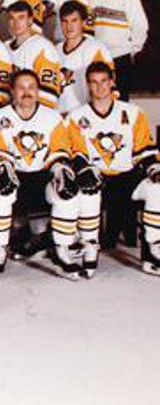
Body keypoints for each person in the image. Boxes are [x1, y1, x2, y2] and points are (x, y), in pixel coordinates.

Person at [0, 70, 78, 280]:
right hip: (14, 176)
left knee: (66, 190)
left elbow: (59, 150)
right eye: (21, 87)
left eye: (32, 88)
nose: (27, 92)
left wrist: (61, 171)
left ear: (38, 91)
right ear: (12, 91)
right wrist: (2, 169)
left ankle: (62, 250)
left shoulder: (52, 117)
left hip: (42, 176)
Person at [68, 62, 154, 260]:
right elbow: (77, 152)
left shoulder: (133, 112)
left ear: (112, 82)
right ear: (88, 85)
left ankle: (152, 249)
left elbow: (144, 148)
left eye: (104, 81)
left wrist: (153, 168)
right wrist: (84, 170)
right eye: (94, 82)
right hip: (96, 178)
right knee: (76, 187)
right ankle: (85, 243)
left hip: (127, 176)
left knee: (155, 189)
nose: (99, 87)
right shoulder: (76, 116)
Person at [86, 0, 149, 91]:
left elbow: (140, 23)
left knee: (119, 102)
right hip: (93, 59)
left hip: (119, 57)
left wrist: (131, 50)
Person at [57, 1, 113, 115]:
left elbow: (109, 88)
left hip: (84, 117)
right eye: (65, 21)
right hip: (58, 116)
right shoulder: (54, 50)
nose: (69, 26)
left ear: (83, 22)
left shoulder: (96, 48)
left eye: (74, 20)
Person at [6, 1, 63, 109]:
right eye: (12, 18)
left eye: (21, 18)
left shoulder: (43, 47)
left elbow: (49, 97)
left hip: (32, 113)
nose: (16, 23)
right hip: (9, 111)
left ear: (30, 20)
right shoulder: (4, 47)